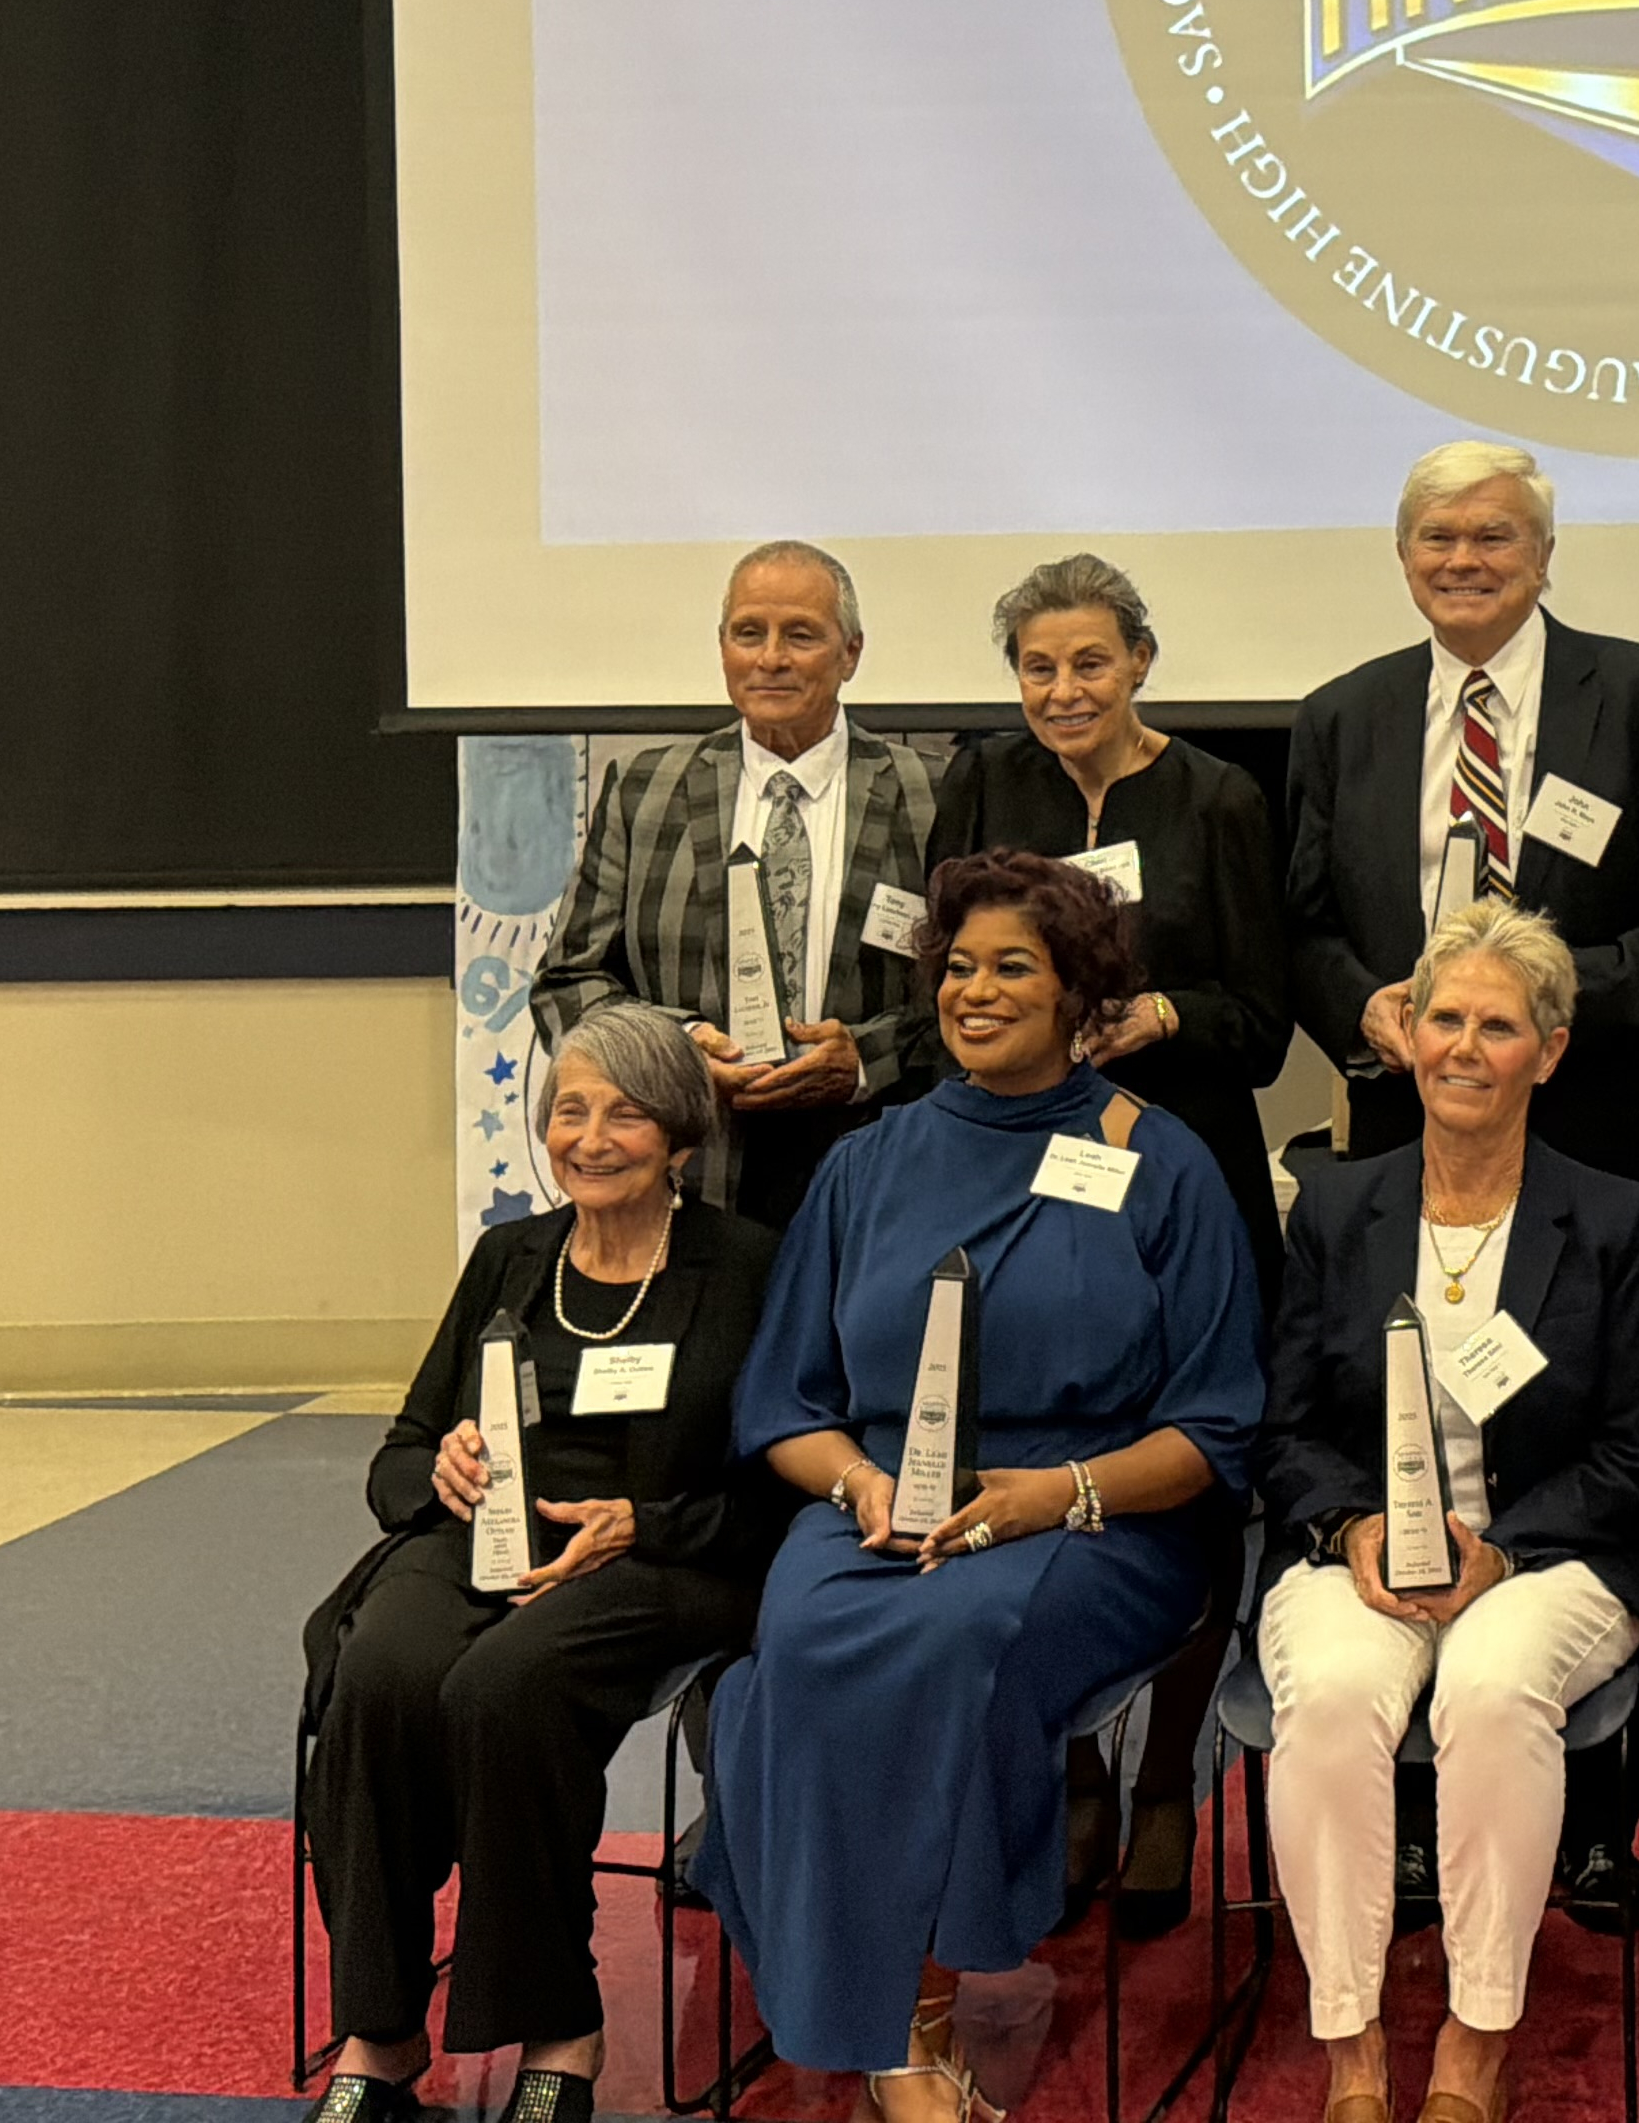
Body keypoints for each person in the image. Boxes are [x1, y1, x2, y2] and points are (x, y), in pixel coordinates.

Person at [695, 849, 1264, 2117]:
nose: (977, 991)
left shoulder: (1161, 1161)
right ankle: (899, 2031)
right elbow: (786, 1405)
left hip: (1097, 1515)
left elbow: (1216, 1426)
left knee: (955, 1641)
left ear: (1078, 994)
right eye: (958, 968)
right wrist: (858, 1488)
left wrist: (1053, 1495)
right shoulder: (864, 1163)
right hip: (884, 1504)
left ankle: (907, 2018)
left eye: (1015, 967)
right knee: (800, 1639)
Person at [300, 1002, 792, 2123]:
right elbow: (399, 1455)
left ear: (678, 1134)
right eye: (570, 1110)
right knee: (378, 1668)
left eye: (625, 1113)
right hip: (483, 1538)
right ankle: (378, 2033)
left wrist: (644, 1523)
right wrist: (446, 1471)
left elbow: (776, 1483)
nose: (591, 1137)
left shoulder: (746, 1266)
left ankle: (559, 2024)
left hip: (661, 1548)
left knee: (502, 1687)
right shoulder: (510, 1257)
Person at [1255, 901, 1639, 2123]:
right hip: (1361, 1554)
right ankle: (1350, 2050)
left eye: (1497, 1026)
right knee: (1335, 1695)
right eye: (1443, 1016)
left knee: (1493, 1688)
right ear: (1409, 1033)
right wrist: (1351, 1534)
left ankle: (1473, 2037)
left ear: (1549, 1052)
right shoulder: (1340, 1210)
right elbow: (1286, 1432)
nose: (1461, 1047)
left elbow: (1636, 1453)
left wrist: (1495, 1553)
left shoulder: (1612, 1219)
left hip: (1548, 1551)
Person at [929, 552, 1295, 1932]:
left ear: (1140, 660)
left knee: (1185, 1460)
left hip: (1177, 1167)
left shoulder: (1218, 798)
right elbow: (949, 956)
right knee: (1038, 1423)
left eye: (1089, 662)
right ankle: (1079, 1766)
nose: (1063, 689)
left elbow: (1265, 1019)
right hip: (1021, 1161)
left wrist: (1165, 1019)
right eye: (1037, 666)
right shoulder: (987, 787)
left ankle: (1167, 1787)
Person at [1284, 438, 1639, 1223]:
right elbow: (1305, 927)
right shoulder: (1341, 718)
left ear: (1543, 556)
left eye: (1492, 537)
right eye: (1438, 537)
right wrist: (1366, 1007)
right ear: (1404, 556)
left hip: (1603, 1130)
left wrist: (1539, 1002)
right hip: (1408, 1135)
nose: (1462, 560)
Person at [534, 540, 945, 1227]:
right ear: (722, 647)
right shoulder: (645, 790)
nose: (771, 658)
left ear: (851, 653)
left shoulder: (932, 794)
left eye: (801, 636)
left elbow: (968, 996)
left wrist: (866, 1059)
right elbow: (567, 984)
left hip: (874, 1161)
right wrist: (677, 1050)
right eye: (748, 633)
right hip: (688, 1169)